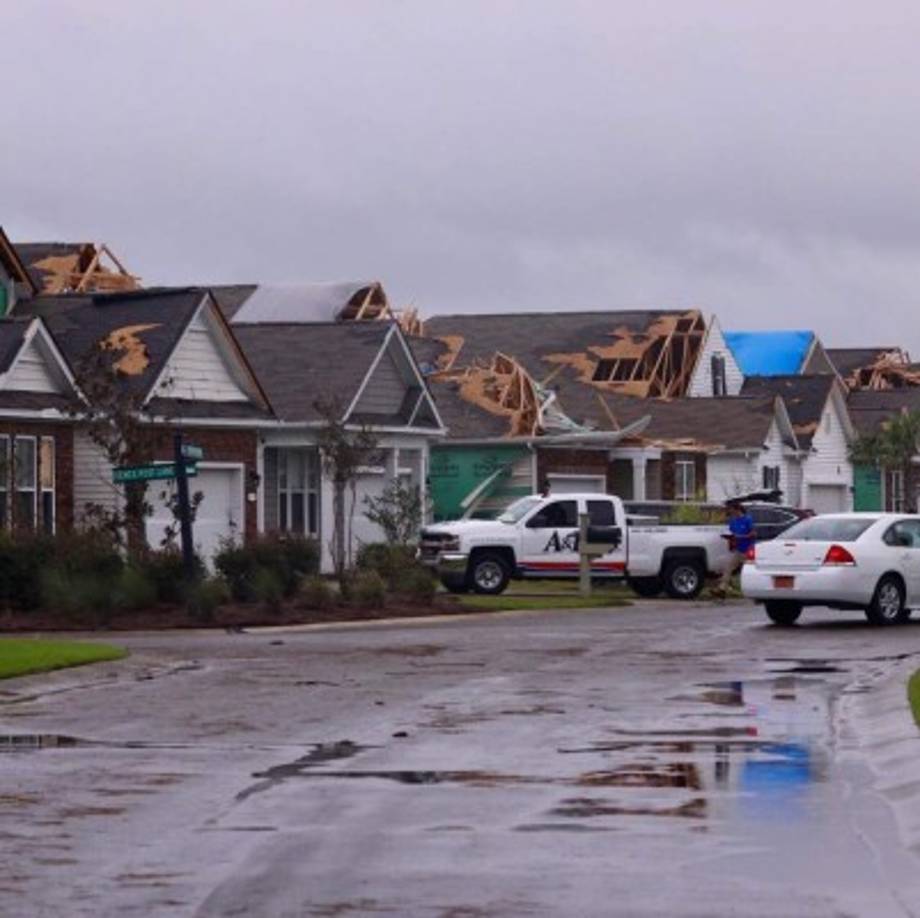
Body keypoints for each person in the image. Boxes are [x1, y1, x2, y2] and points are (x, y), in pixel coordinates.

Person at [714, 500, 754, 597]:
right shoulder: (733, 521)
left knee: (749, 571)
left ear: (737, 510)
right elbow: (731, 533)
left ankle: (753, 591)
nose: (731, 513)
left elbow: (753, 534)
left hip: (748, 550)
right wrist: (730, 539)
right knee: (728, 568)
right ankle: (722, 589)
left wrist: (741, 537)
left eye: (732, 510)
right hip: (738, 550)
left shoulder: (747, 519)